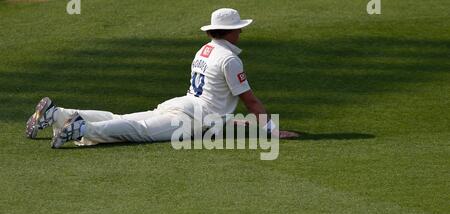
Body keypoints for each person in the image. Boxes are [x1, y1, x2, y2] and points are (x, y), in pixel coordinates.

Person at [25, 8, 297, 148]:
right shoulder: (230, 58)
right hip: (191, 118)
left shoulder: (205, 49)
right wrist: (272, 130)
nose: (241, 33)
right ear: (231, 32)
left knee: (124, 119)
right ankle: (80, 129)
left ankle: (60, 114)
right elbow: (249, 100)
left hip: (181, 104)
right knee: (137, 131)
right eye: (238, 29)